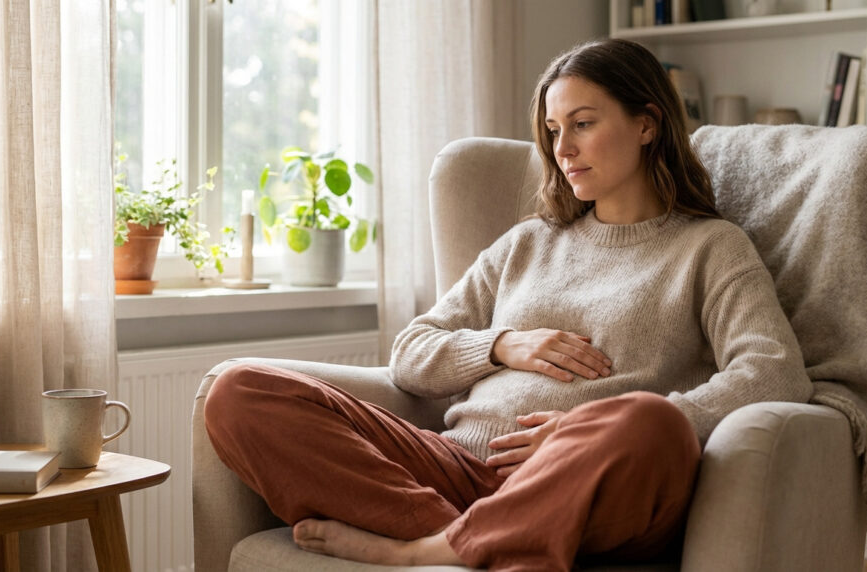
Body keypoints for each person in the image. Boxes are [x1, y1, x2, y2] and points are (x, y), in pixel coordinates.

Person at [204, 38, 812, 571]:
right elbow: (411, 355)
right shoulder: (528, 242)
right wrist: (500, 345)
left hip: (594, 485)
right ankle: (470, 537)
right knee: (240, 391)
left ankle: (425, 552)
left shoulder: (711, 247)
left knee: (651, 422)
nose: (563, 148)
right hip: (457, 470)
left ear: (647, 124)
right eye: (554, 130)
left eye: (583, 123)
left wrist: (580, 436)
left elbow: (774, 371)